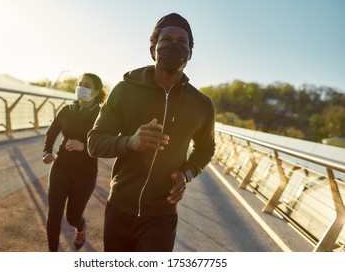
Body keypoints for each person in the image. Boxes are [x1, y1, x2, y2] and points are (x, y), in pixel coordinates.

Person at [87, 13, 215, 252]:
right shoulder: (125, 90)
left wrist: (186, 173)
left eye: (182, 42)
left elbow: (206, 148)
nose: (174, 45)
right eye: (166, 40)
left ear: (190, 53)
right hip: (119, 209)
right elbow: (94, 142)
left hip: (162, 215)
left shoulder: (202, 104)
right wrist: (130, 142)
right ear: (152, 48)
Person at [42, 73, 107, 252]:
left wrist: (84, 146)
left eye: (86, 85)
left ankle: (80, 227)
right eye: (80, 84)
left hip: (85, 174)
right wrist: (47, 151)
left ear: (95, 92)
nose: (81, 88)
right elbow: (52, 131)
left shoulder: (102, 115)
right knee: (54, 215)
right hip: (61, 167)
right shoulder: (67, 110)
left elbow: (106, 143)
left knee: (72, 217)